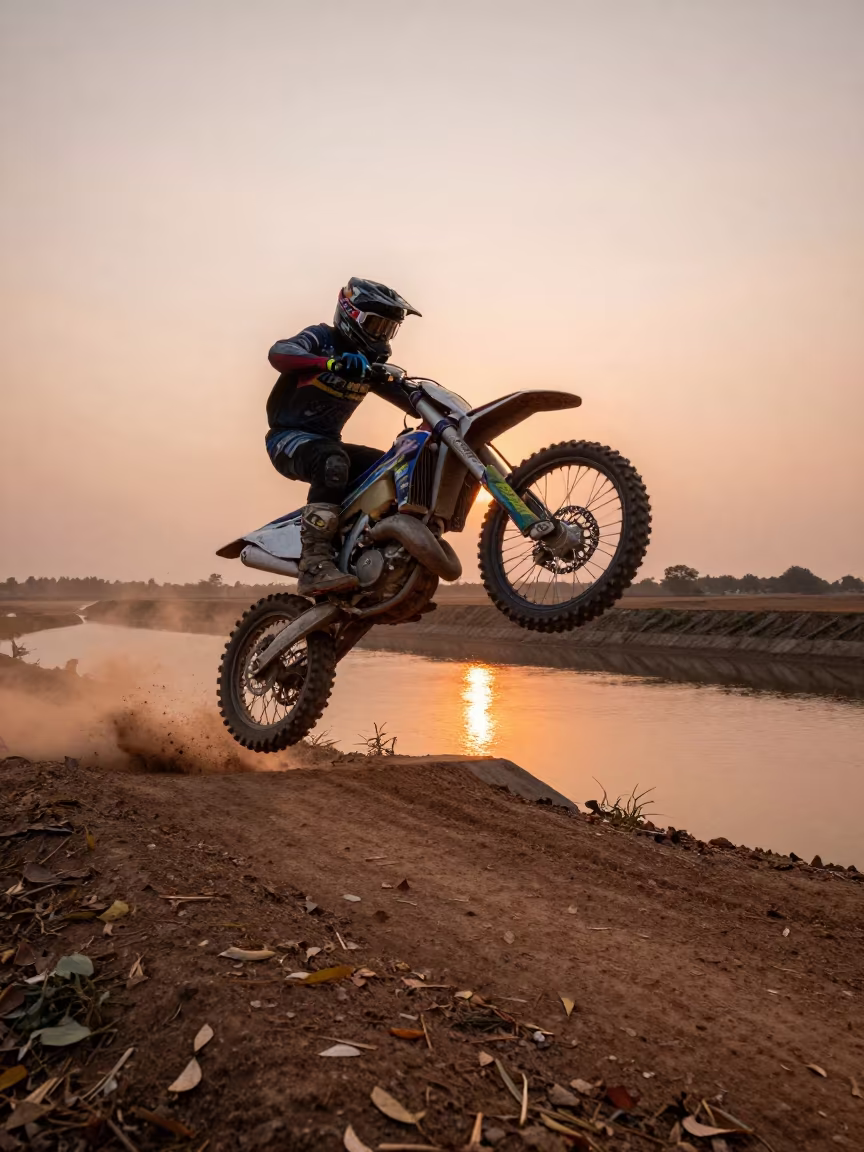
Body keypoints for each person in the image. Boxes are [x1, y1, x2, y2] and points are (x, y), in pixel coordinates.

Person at [266, 278, 421, 596]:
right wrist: (330, 363)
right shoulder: (323, 338)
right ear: (351, 315)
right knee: (333, 461)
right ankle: (314, 563)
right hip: (288, 439)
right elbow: (279, 353)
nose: (382, 335)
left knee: (391, 467)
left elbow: (410, 402)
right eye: (376, 325)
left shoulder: (369, 366)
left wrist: (428, 401)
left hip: (328, 444)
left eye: (389, 329)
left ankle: (373, 552)